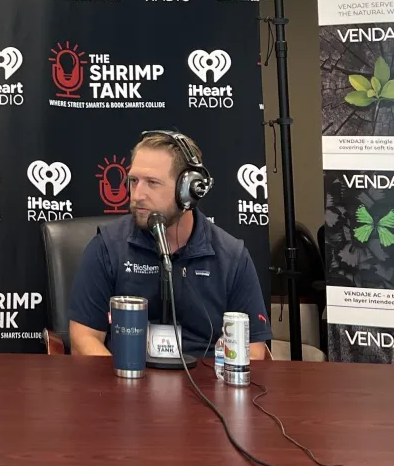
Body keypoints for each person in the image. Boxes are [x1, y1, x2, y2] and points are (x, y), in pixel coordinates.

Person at [67, 130, 272, 359]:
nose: (137, 194)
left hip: (205, 390)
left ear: (188, 191)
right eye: (133, 181)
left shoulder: (231, 257)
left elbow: (253, 349)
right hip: (126, 384)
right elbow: (83, 339)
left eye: (152, 183)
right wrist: (124, 390)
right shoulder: (107, 247)